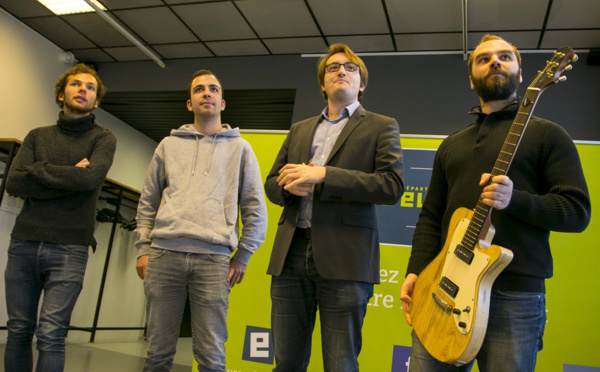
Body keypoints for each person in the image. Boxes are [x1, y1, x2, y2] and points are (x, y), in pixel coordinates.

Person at [400, 35, 591, 371]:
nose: (495, 62)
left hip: (514, 298)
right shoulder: (452, 145)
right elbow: (430, 216)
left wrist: (513, 200)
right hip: (442, 288)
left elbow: (576, 212)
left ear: (520, 73)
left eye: (505, 56)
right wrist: (416, 269)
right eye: (483, 59)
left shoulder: (549, 135)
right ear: (472, 79)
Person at [265, 43, 404, 371]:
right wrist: (289, 187)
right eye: (333, 68)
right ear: (323, 84)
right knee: (286, 362)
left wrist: (324, 175)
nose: (342, 71)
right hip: (291, 254)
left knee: (340, 363)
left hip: (347, 258)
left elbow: (391, 186)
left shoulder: (381, 126)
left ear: (362, 84)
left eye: (350, 68)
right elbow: (272, 182)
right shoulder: (300, 129)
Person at [134, 69, 268, 371]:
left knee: (211, 357)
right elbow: (147, 202)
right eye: (199, 89)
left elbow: (255, 208)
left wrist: (243, 255)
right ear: (189, 103)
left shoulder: (241, 149)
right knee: (156, 353)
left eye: (213, 89)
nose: (206, 93)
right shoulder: (168, 146)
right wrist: (143, 248)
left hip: (214, 261)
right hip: (163, 256)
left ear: (222, 103)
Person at [4, 63, 117, 372]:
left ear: (96, 102)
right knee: (18, 330)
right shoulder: (36, 136)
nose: (83, 89)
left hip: (70, 247)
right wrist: (69, 175)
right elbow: (14, 183)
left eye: (90, 87)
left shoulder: (103, 139)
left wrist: (39, 170)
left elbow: (89, 181)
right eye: (76, 84)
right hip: (24, 243)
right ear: (60, 95)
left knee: (51, 334)